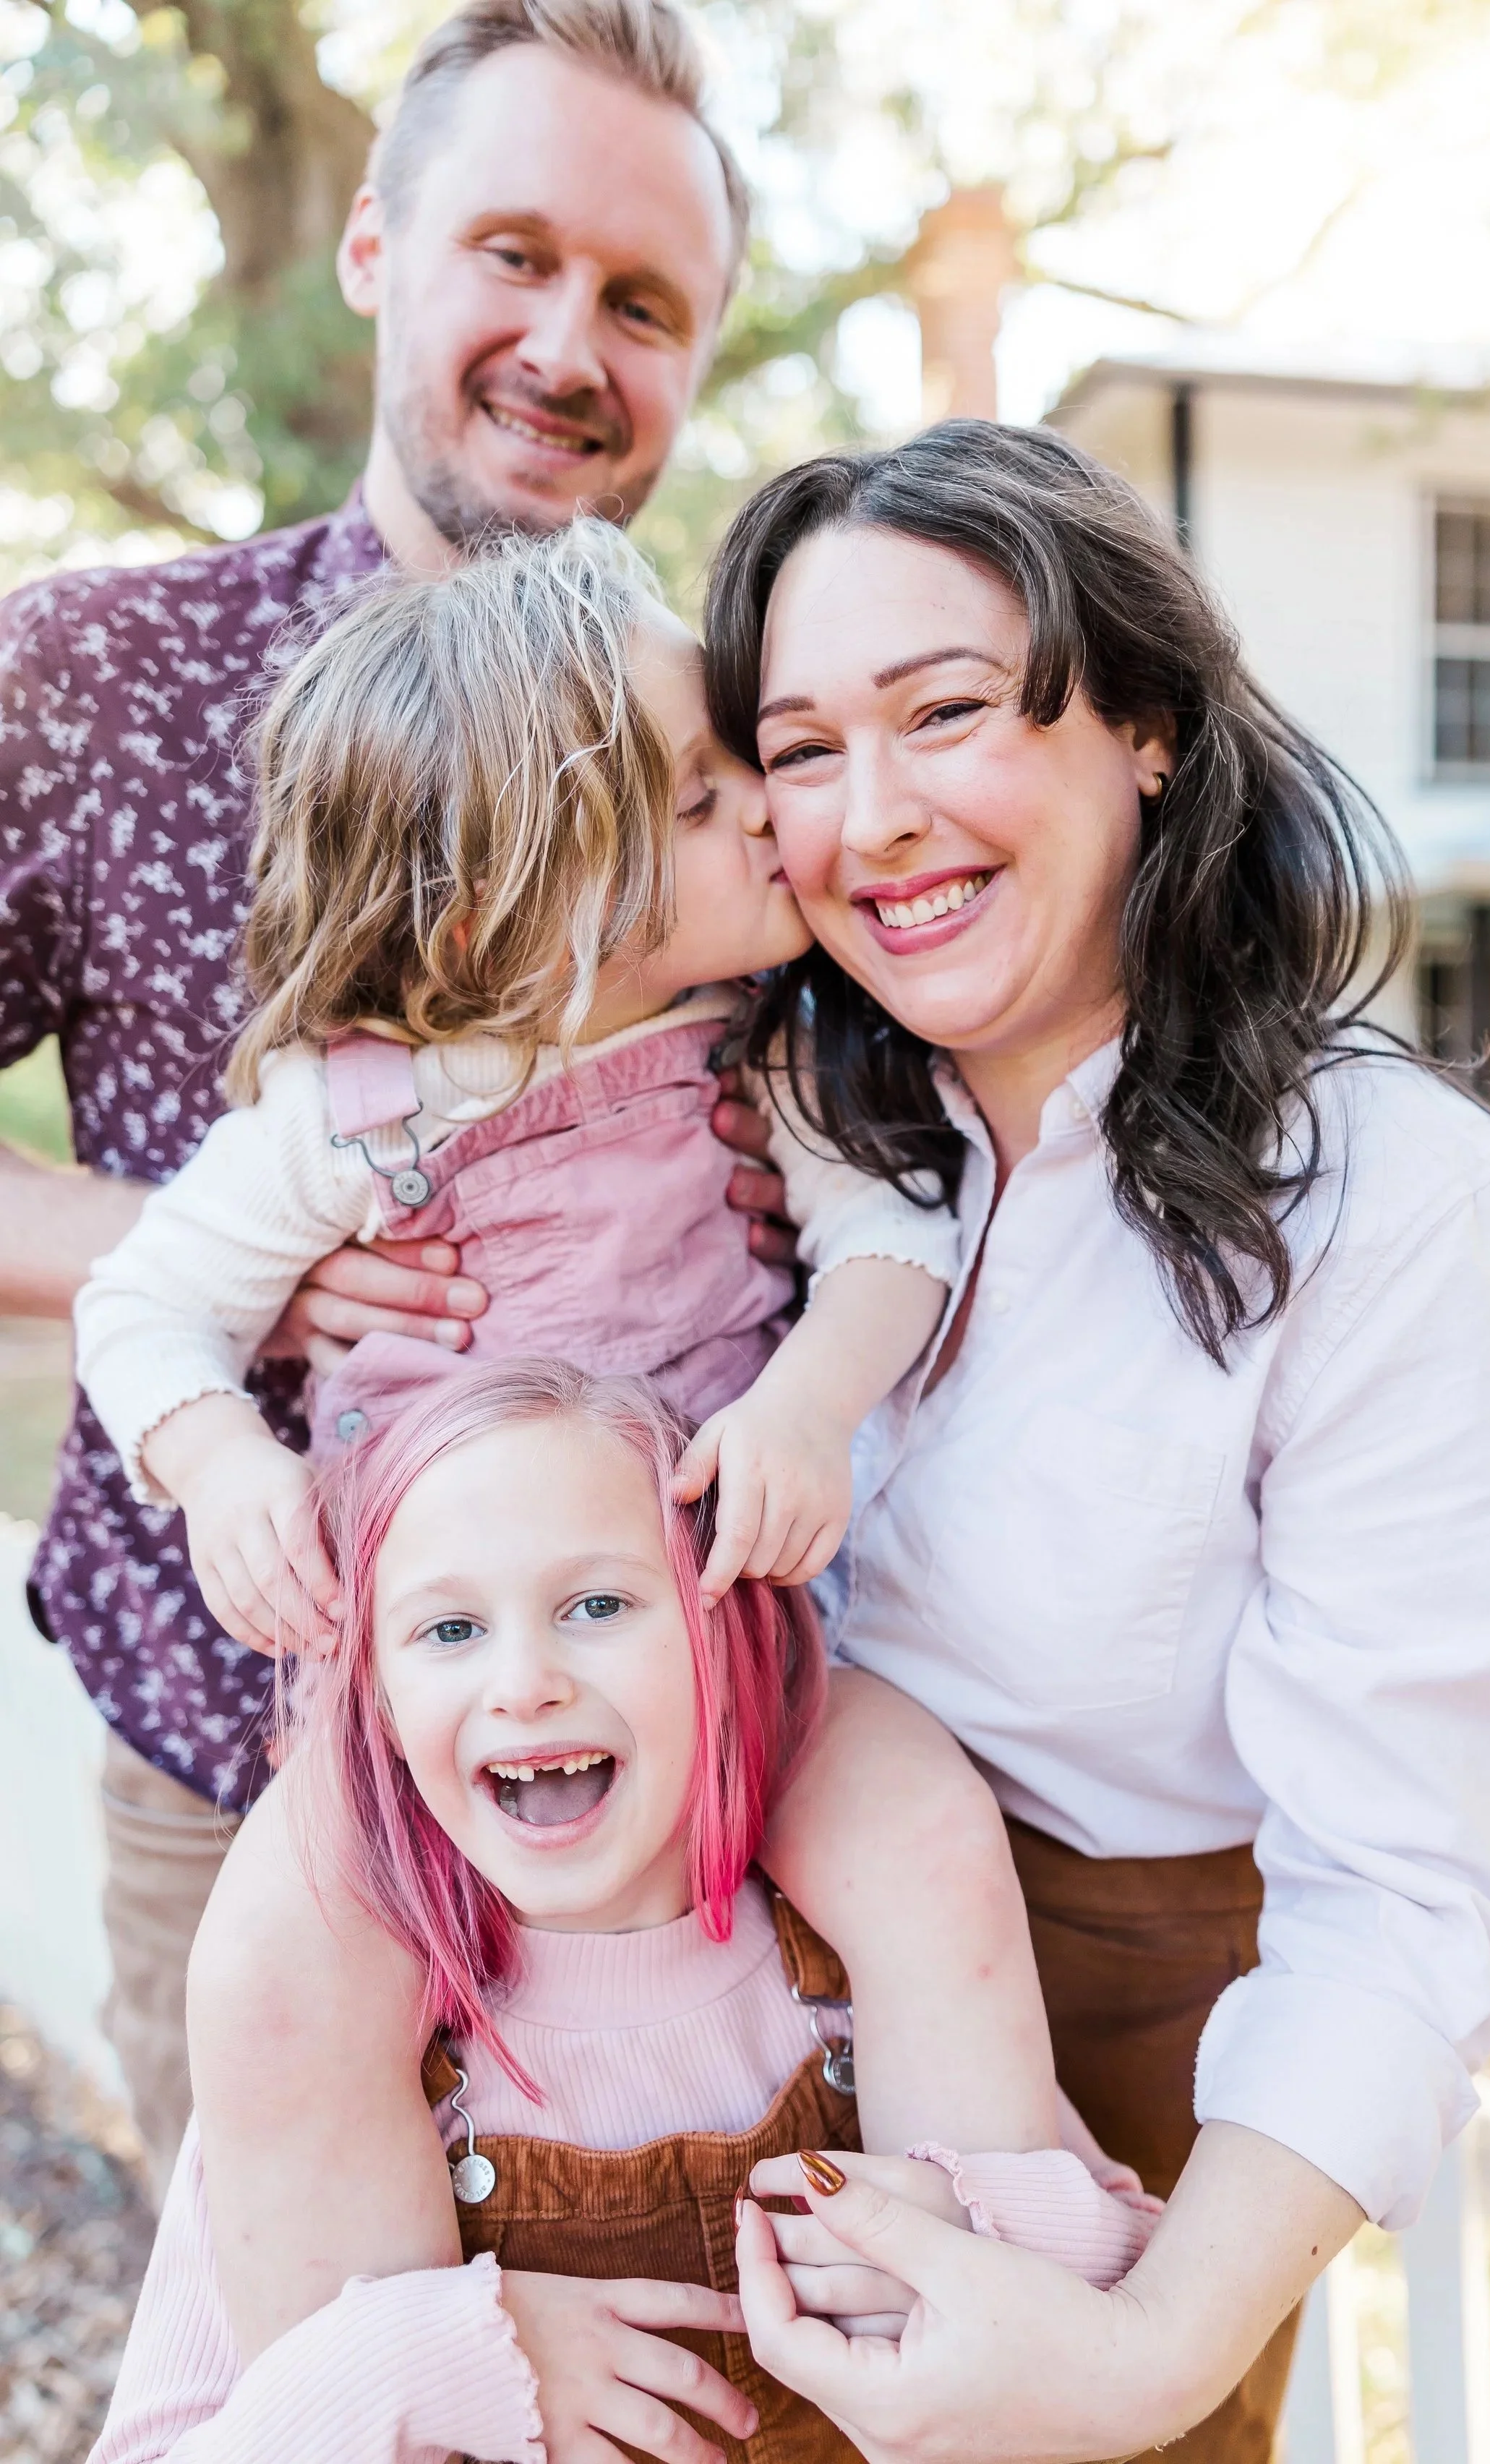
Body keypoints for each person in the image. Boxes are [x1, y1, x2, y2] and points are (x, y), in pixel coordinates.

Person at [681, 419, 1490, 2463]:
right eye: (805, 748)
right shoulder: (775, 1143)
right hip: (703, 2106)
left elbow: (1402, 1893)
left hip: (1093, 2184)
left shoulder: (1409, 1220)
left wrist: (1141, 2362)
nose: (878, 817)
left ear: (1152, 726)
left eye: (948, 713)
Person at [0, 0, 766, 2189]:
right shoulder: (100, 679)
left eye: (642, 303)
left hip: (682, 1779)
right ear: (371, 250)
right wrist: (230, 1267)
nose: (567, 344)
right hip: (241, 1758)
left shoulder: (731, 742)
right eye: (512, 255)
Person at [92, 1361, 1156, 2464]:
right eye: (449, 1631)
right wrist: (435, 2355)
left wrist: (973, 2227)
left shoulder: (833, 1955)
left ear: (721, 1642)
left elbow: (1127, 2248)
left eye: (597, 1606)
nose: (526, 1682)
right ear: (386, 1709)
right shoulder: (346, 2022)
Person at [72, 522, 961, 1646]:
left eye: (738, 755)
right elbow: (145, 1306)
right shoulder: (356, 1115)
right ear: (495, 924)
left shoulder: (765, 1036)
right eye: (694, 800)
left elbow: (891, 1237)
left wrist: (808, 1408)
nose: (761, 801)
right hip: (461, 1685)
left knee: (915, 1813)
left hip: (727, 1635)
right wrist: (222, 1466)